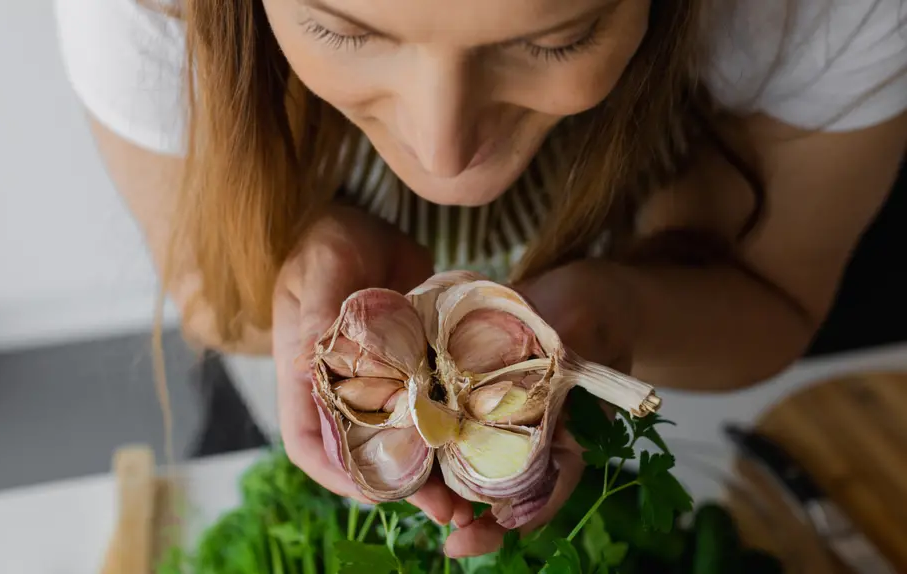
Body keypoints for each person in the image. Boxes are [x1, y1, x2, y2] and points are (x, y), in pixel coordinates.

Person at [54, 0, 907, 557]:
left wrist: (617, 315)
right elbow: (209, 293)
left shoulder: (821, 11)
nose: (445, 156)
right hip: (269, 395)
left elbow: (777, 296)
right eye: (342, 29)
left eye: (556, 37)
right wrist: (304, 258)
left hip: (701, 385)